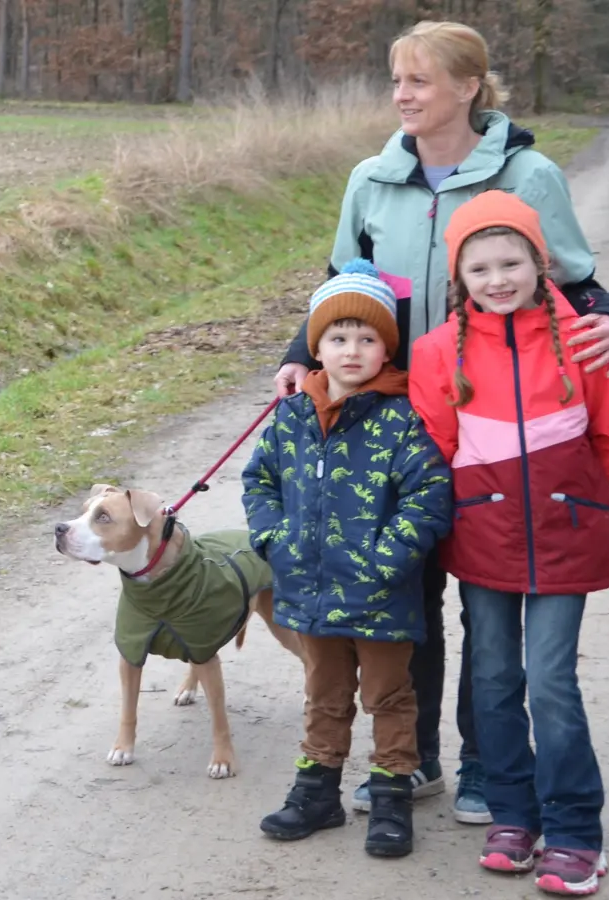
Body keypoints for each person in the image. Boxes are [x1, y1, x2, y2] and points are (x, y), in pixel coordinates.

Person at [270, 19, 609, 824]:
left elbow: (572, 282)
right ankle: (416, 759)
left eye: (418, 81)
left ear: (468, 88)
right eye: (396, 81)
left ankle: (484, 764)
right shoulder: (372, 176)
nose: (401, 95)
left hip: (493, 421)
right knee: (404, 594)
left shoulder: (527, 172)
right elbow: (346, 281)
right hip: (390, 415)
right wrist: (304, 351)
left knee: (488, 598)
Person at [408, 190, 609, 897]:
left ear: (541, 264)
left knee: (552, 681)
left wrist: (578, 500)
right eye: (480, 268)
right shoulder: (437, 351)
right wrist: (473, 510)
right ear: (459, 277)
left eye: (512, 263)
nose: (497, 279)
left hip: (568, 529)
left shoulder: (585, 338)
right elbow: (436, 448)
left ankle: (574, 831)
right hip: (485, 533)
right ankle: (514, 814)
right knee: (495, 678)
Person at [242, 260, 454, 859]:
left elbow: (429, 495)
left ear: (387, 347)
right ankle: (317, 793)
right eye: (338, 338)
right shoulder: (292, 417)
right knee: (324, 696)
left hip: (381, 594)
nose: (352, 350)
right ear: (317, 348)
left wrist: (389, 558)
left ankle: (390, 797)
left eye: (367, 339)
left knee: (389, 697)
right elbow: (259, 481)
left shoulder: (403, 418)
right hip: (309, 593)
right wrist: (273, 540)